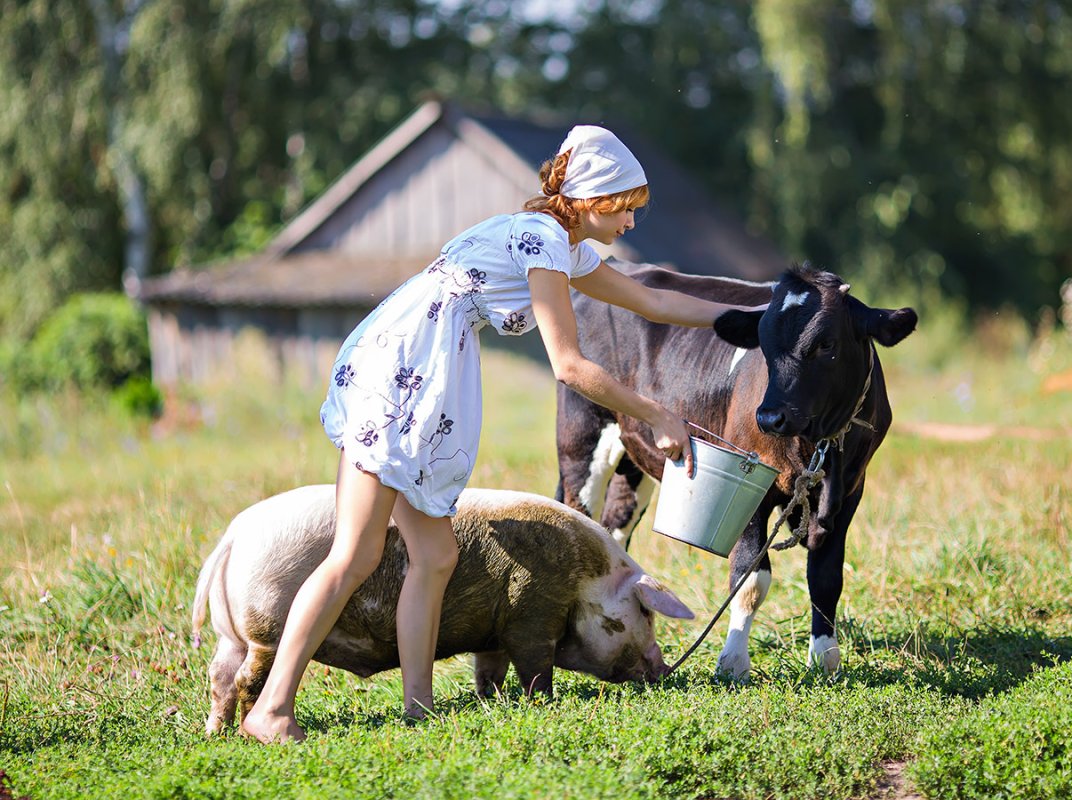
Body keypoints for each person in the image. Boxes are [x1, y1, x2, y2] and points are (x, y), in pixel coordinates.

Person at [240, 124, 764, 743]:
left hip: (427, 366)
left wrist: (759, 318)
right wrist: (654, 413)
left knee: (436, 556)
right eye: (626, 207)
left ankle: (419, 710)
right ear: (592, 200)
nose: (631, 222)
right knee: (355, 554)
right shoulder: (543, 239)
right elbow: (569, 365)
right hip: (403, 369)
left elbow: (654, 304)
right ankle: (271, 709)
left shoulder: (564, 247)